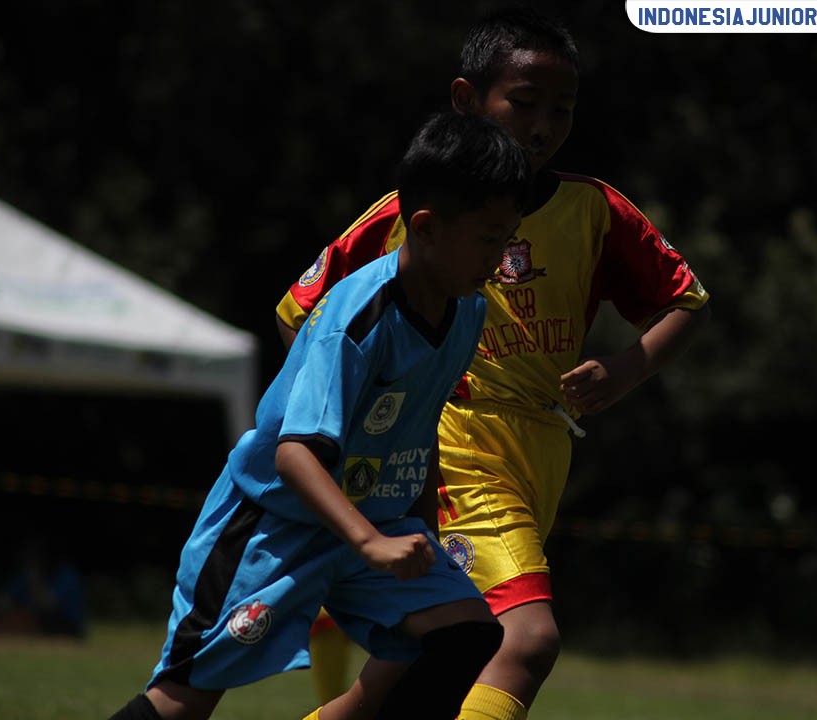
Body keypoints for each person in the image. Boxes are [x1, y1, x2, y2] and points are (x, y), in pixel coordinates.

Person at [277, 9, 711, 720]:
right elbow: (300, 313)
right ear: (465, 100)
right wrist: (370, 418)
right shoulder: (408, 213)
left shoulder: (594, 210)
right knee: (528, 637)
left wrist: (628, 366)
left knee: (402, 672)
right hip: (452, 446)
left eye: (561, 109)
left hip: (540, 450)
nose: (542, 125)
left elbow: (689, 302)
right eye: (524, 102)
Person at [108, 110, 532, 720]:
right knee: (184, 697)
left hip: (378, 524)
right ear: (428, 227)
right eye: (491, 238)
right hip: (273, 525)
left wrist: (419, 528)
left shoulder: (468, 312)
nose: (501, 256)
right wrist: (367, 542)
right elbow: (294, 452)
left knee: (466, 634)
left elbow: (420, 424)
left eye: (509, 237)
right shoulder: (357, 317)